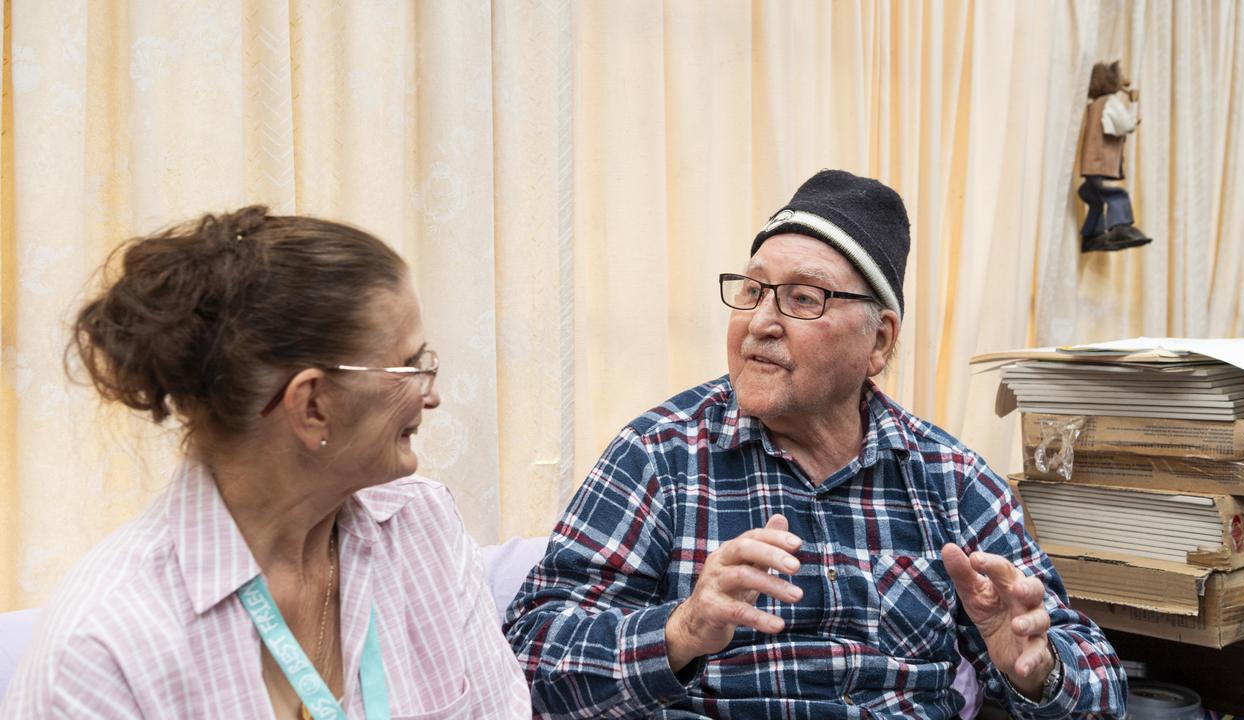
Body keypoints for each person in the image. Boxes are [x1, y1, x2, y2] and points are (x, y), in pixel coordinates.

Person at [505, 171, 1127, 718]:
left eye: (804, 298)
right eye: (751, 291)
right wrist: (681, 629)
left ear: (878, 343)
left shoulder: (952, 480)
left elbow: (1102, 684)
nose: (760, 322)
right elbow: (526, 655)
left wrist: (1040, 672)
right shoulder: (660, 455)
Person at [0, 207, 530, 718]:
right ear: (313, 404)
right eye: (409, 366)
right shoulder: (105, 649)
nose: (430, 395)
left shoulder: (422, 528)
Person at [1078, 60, 1151, 252]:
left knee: (1093, 196)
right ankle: (1121, 225)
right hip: (1101, 161)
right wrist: (1134, 103)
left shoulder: (1093, 105)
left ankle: (1092, 234)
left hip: (1090, 162)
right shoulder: (1110, 102)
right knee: (1115, 195)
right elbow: (1126, 124)